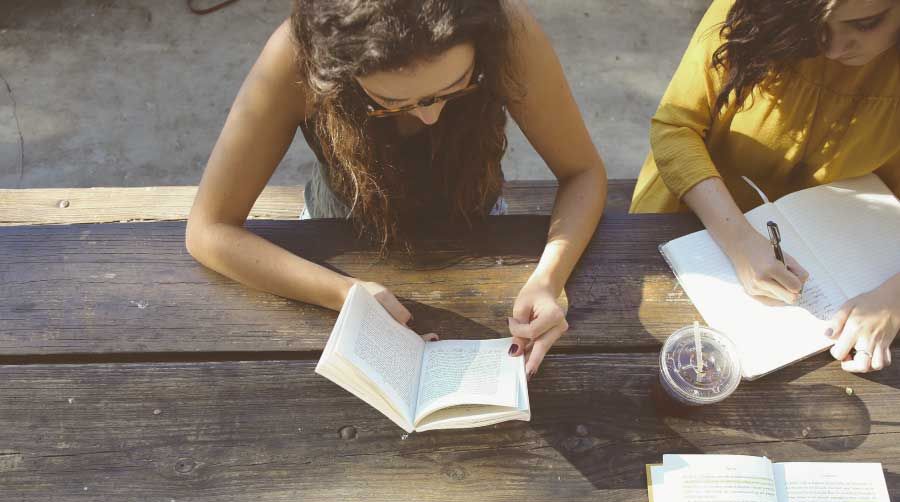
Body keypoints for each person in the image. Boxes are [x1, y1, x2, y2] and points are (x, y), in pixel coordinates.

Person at [186, 1, 607, 378]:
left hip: (479, 223)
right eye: (391, 102)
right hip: (334, 236)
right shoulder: (297, 54)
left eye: (457, 85)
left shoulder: (506, 29)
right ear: (336, 68)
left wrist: (549, 280)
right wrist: (345, 293)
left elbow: (583, 172)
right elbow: (209, 230)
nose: (430, 117)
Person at [631, 0, 900, 372]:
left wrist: (893, 300)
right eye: (820, 26)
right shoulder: (753, 11)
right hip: (691, 217)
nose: (836, 49)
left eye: (866, 23)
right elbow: (676, 129)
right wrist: (739, 241)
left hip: (847, 253)